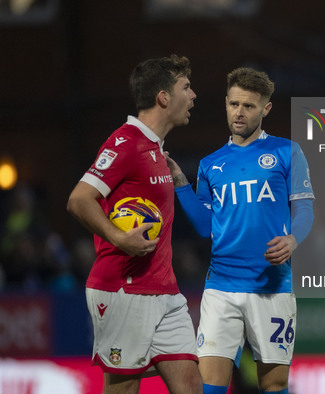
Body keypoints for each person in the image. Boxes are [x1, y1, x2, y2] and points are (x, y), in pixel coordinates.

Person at [166, 67, 314, 394]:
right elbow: (205, 226)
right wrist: (180, 184)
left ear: (266, 109)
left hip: (272, 285)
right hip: (222, 286)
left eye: (248, 106)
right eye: (233, 104)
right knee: (210, 385)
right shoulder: (210, 164)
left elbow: (304, 209)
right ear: (225, 104)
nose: (239, 112)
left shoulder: (286, 152)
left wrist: (292, 239)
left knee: (273, 385)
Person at [66, 55, 202, 394]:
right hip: (123, 288)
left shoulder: (155, 149)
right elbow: (79, 199)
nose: (194, 95)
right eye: (186, 87)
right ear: (163, 97)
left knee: (191, 386)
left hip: (165, 291)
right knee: (123, 390)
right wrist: (118, 237)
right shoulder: (125, 143)